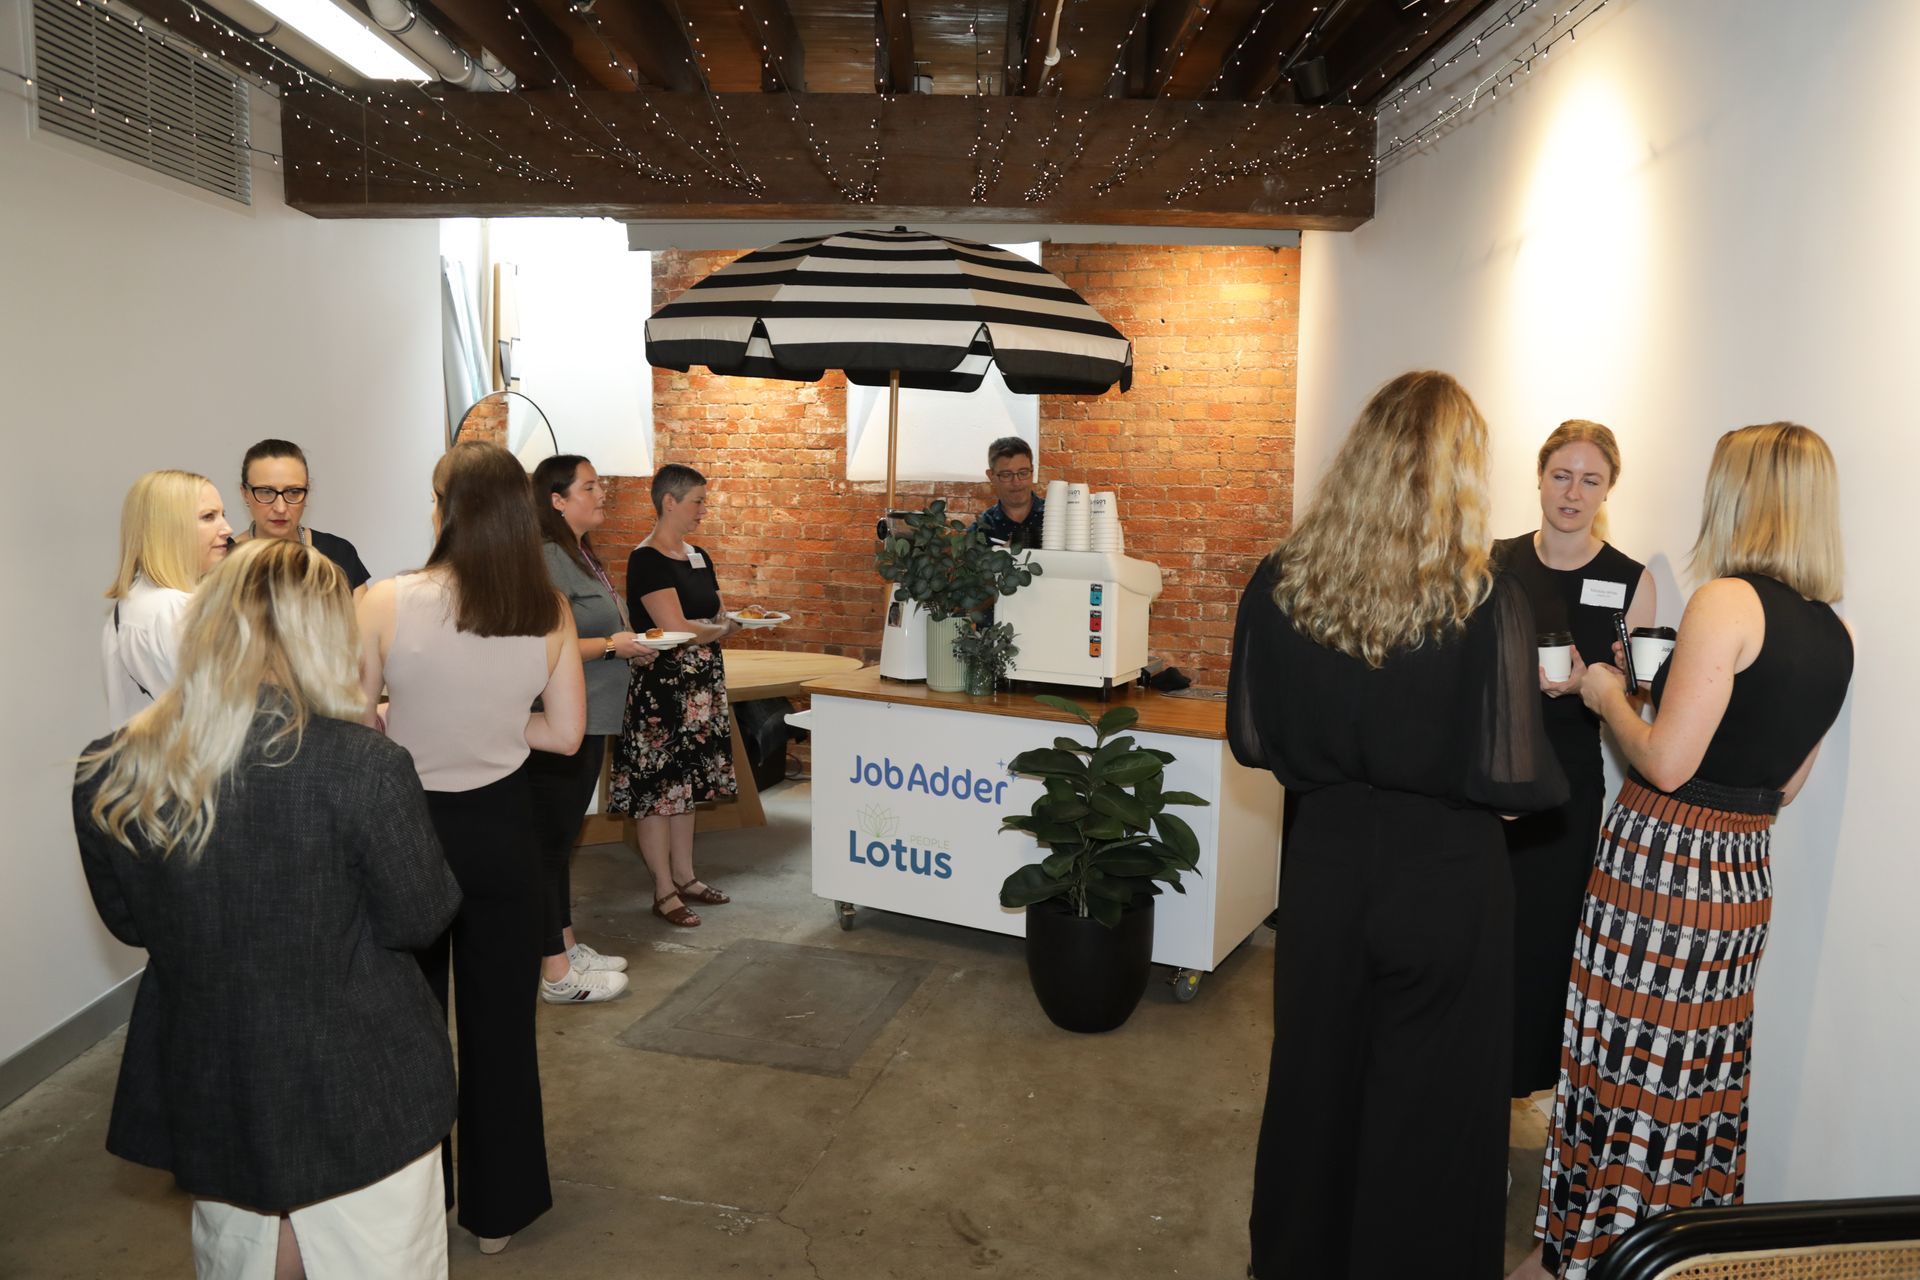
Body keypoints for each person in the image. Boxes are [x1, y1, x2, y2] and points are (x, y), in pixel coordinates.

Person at [1227, 371, 1567, 1280]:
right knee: (1433, 1105)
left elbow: (1252, 740)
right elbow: (1514, 785)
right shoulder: (1486, 599)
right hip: (1445, 880)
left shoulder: (1281, 583)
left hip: (1326, 868)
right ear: (1461, 473)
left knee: (1316, 1083)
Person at [1519, 423, 1854, 1280]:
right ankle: (1673, 1259)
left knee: (1621, 1065)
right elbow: (1787, 787)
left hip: (1662, 868)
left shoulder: (1727, 602)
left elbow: (1666, 762)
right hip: (1741, 878)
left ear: (1744, 493)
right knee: (1692, 1080)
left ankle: (1582, 1256)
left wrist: (1606, 694)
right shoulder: (1834, 635)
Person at [74, 539, 462, 1280]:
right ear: (325, 637)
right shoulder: (364, 766)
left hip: (214, 1070)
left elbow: (132, 922)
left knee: (242, 1255)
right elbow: (420, 917)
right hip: (359, 1079)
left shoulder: (112, 768)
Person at [357, 441, 585, 1256]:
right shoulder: (545, 608)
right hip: (502, 831)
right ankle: (498, 1215)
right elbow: (565, 735)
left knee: (408, 1030)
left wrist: (407, 721)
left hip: (407, 830)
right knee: (501, 1028)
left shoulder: (383, 600)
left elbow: (356, 724)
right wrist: (500, 726)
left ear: (448, 510)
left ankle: (418, 1205)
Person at [1494, 421, 1656, 1102]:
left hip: (1567, 782)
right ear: (1538, 477)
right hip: (1491, 772)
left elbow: (1637, 697)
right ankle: (1467, 1090)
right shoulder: (1495, 562)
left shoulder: (1630, 580)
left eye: (1591, 480)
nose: (1573, 492)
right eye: (1561, 475)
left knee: (1543, 938)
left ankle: (1521, 1088)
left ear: (1608, 490)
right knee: (1478, 933)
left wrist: (1605, 682)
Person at [529, 453, 657, 1003]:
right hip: (563, 719)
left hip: (592, 713)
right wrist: (612, 646)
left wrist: (628, 646)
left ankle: (565, 944)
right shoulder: (547, 557)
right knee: (550, 845)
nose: (602, 493)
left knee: (561, 843)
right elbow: (540, 644)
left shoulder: (578, 555)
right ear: (557, 501)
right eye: (589, 486)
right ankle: (555, 971)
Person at [608, 463, 740, 928]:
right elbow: (676, 627)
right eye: (697, 502)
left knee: (686, 787)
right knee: (658, 791)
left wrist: (717, 626)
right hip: (662, 690)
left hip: (701, 684)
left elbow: (717, 612)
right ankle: (663, 890)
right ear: (669, 502)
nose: (704, 510)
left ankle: (686, 876)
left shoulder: (699, 554)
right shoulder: (646, 559)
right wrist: (717, 629)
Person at [102, 470, 233, 728]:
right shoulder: (174, 608)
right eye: (208, 517)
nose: (227, 529)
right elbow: (222, 715)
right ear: (169, 528)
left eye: (222, 515)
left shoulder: (128, 605)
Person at [232, 438, 371, 594]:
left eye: (293, 492)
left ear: (307, 492)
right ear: (245, 494)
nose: (280, 508)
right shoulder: (222, 560)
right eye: (266, 492)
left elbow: (360, 610)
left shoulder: (339, 554)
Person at [974, 436, 1045, 548]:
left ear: (1032, 471)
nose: (1016, 482)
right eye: (1006, 475)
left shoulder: (1059, 518)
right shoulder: (980, 529)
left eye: (1023, 473)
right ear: (991, 476)